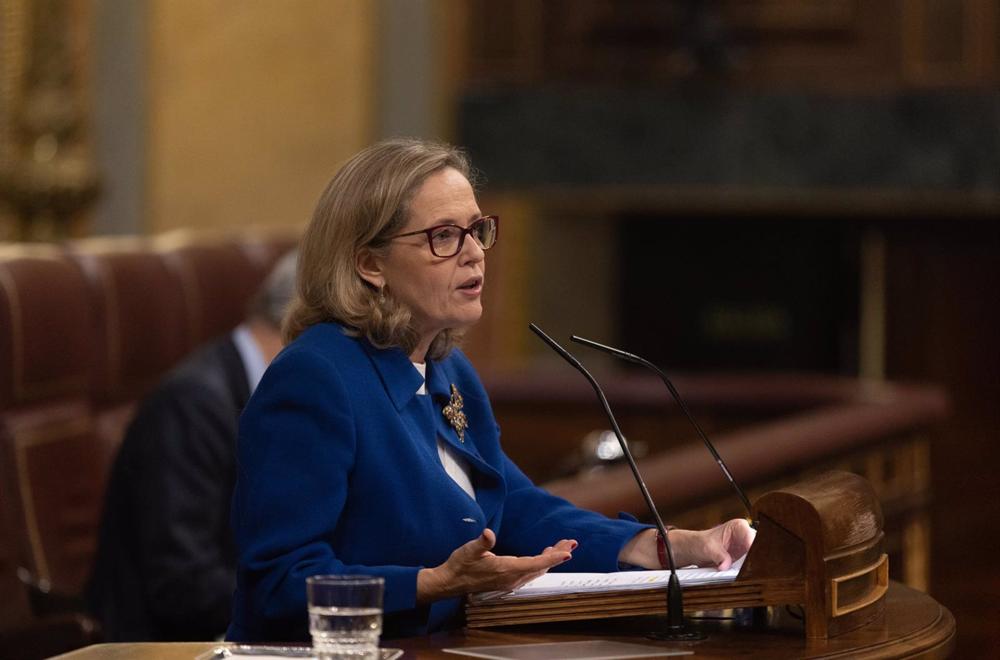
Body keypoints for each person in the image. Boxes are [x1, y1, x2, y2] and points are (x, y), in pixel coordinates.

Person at [227, 139, 754, 642]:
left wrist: (669, 547)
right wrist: (433, 583)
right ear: (370, 264)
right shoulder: (315, 379)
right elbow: (279, 582)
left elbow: (515, 506)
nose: (475, 253)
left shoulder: (447, 367)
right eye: (443, 236)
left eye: (477, 230)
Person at [86, 251, 297, 641]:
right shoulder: (193, 404)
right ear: (303, 322)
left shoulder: (273, 397)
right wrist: (303, 597)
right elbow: (182, 583)